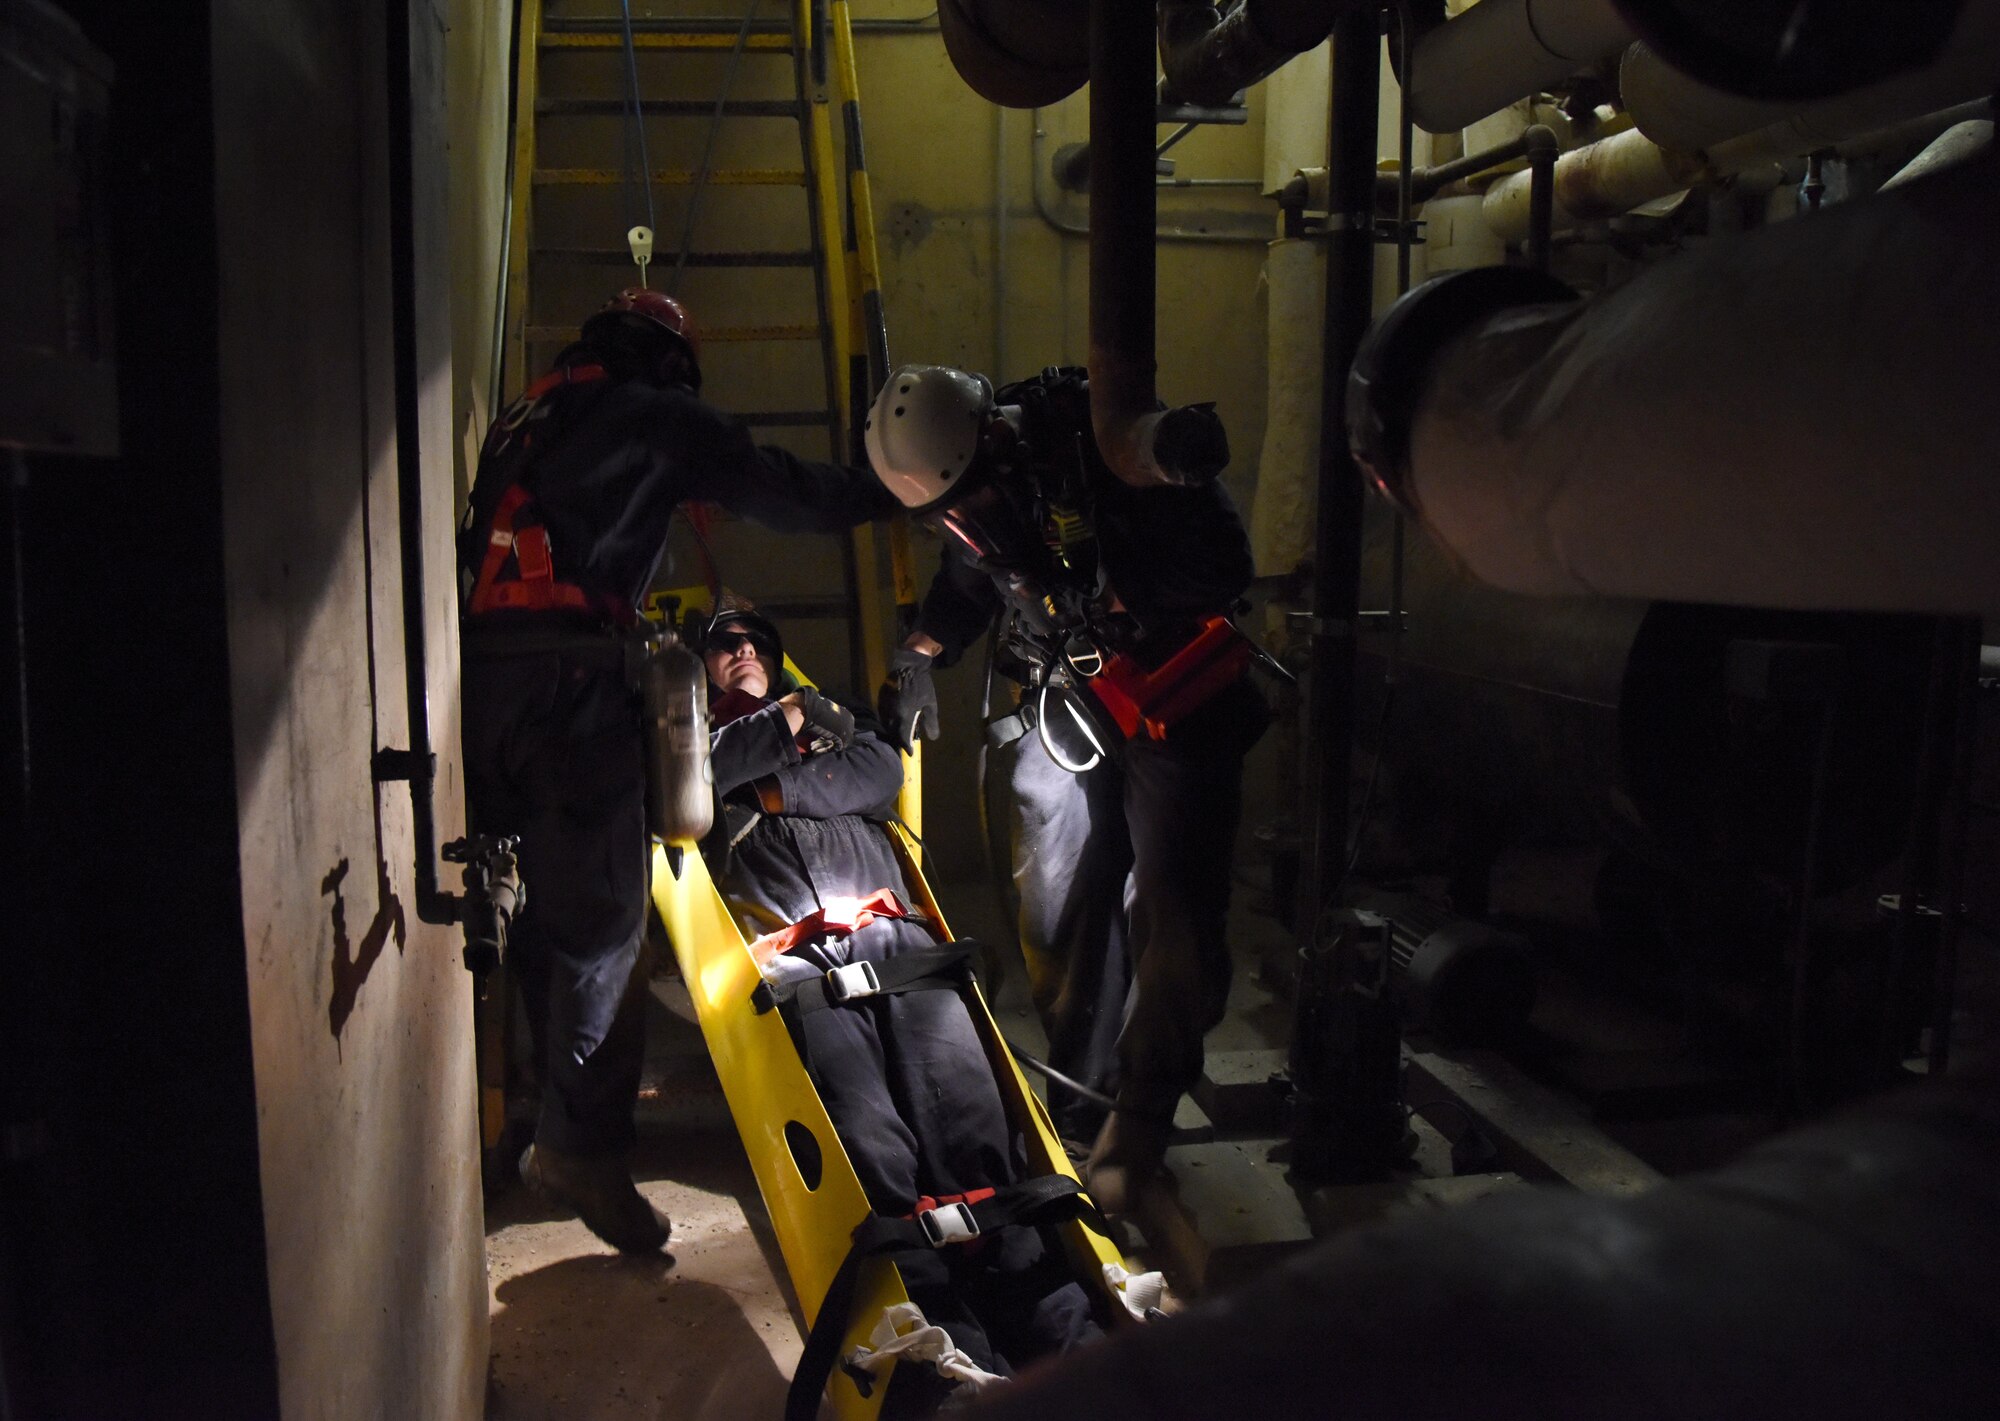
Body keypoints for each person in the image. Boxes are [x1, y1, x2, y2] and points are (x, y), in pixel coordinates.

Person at [457, 289, 894, 1253]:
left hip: (478, 686)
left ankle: (540, 1110)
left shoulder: (527, 416)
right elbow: (790, 491)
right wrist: (904, 482)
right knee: (610, 927)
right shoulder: (656, 415)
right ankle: (583, 1147)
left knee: (532, 912)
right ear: (672, 363)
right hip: (571, 684)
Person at [866, 365, 1269, 1213]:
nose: (963, 524)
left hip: (1174, 700)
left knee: (1172, 911)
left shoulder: (1112, 455)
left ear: (999, 442)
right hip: (1070, 702)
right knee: (1058, 901)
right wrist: (924, 650)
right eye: (949, 516)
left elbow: (1228, 562)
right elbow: (971, 578)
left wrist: (1108, 586)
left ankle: (1143, 1114)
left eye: (966, 505)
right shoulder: (976, 499)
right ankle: (1082, 1106)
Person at [696, 606, 1100, 1416]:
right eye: (724, 646)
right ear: (705, 671)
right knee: (872, 1149)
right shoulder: (694, 748)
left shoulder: (825, 717)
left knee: (975, 1137)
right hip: (803, 963)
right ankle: (942, 1353)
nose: (743, 651)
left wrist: (769, 788)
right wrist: (784, 740)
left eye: (757, 644)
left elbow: (881, 769)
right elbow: (696, 787)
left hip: (899, 941)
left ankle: (1064, 1332)